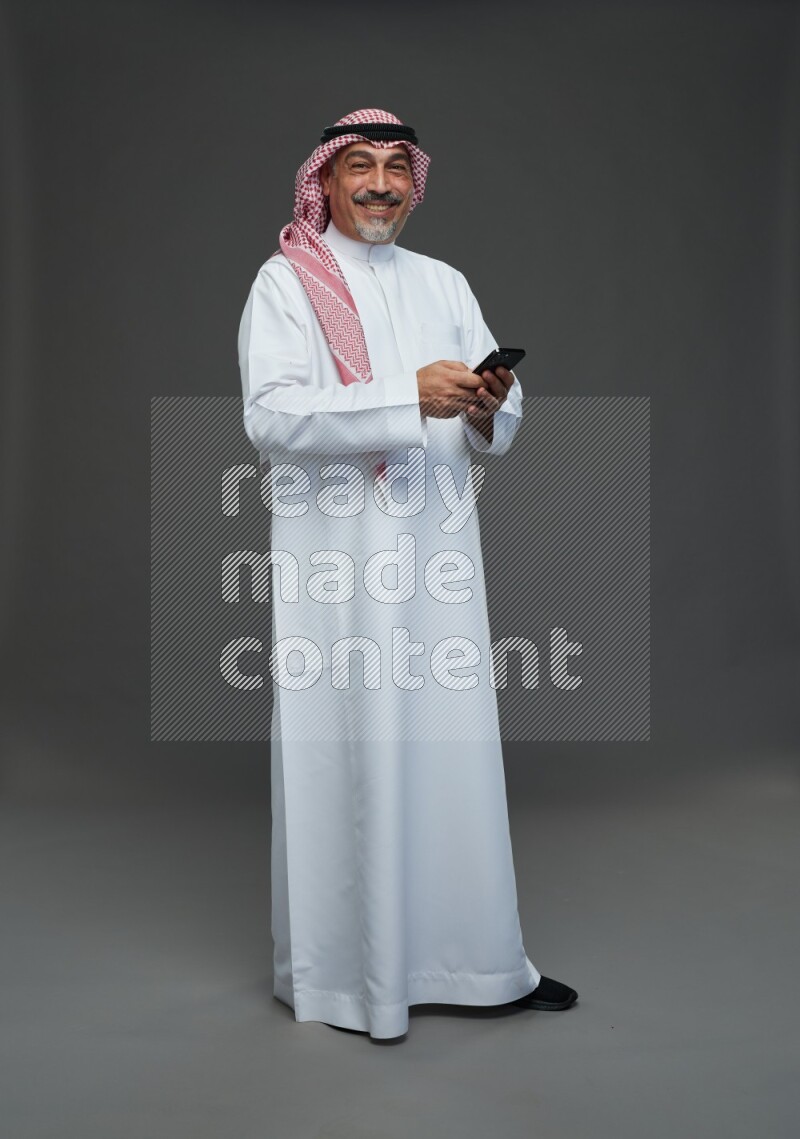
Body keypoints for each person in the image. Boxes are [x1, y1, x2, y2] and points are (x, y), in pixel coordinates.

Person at [237, 108, 577, 1039]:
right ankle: (354, 982)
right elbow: (270, 417)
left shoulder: (444, 281)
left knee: (452, 750)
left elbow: (496, 425)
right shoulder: (287, 281)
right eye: (360, 165)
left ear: (413, 183)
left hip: (437, 558)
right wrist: (404, 395)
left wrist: (486, 403)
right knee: (350, 743)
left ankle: (482, 964)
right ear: (326, 179)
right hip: (337, 567)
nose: (381, 183)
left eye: (396, 166)